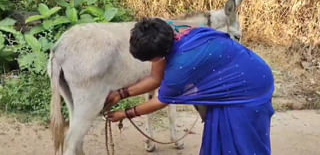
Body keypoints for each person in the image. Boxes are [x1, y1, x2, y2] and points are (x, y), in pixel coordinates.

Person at [105, 18, 275, 155]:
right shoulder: (169, 30)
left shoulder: (180, 67)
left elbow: (161, 100)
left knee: (244, 144)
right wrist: (120, 94)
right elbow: (155, 79)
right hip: (241, 71)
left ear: (157, 56)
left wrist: (125, 114)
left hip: (250, 89)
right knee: (220, 139)